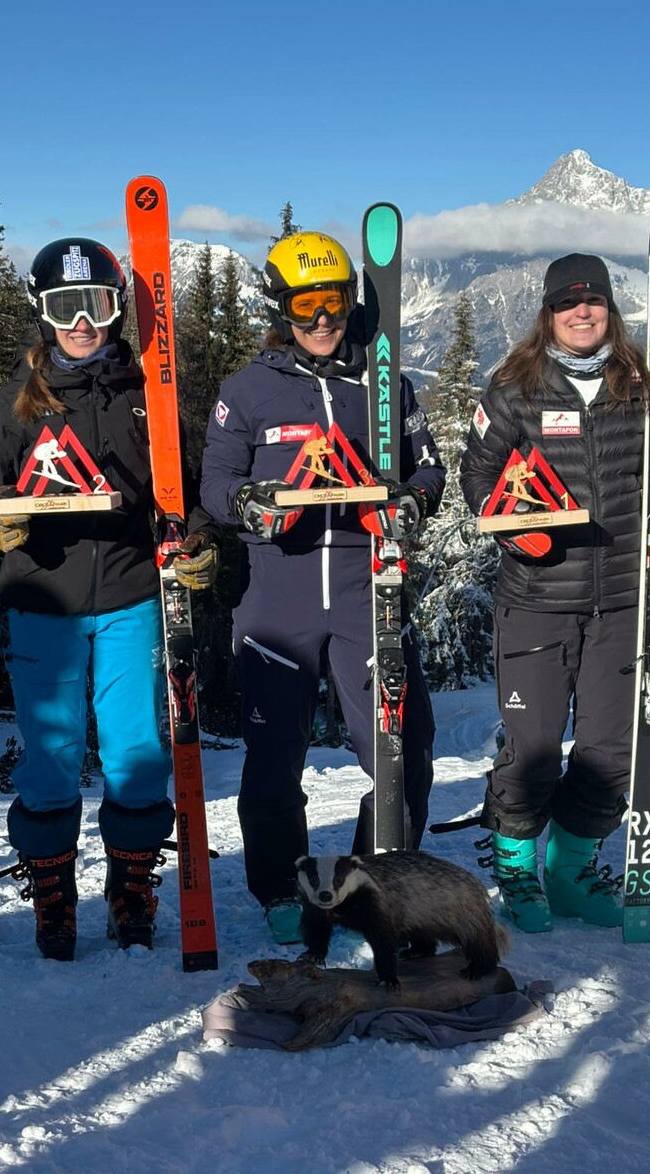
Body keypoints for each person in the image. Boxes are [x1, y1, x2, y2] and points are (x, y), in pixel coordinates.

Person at [0, 237, 219, 961]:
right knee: (51, 756)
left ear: (117, 311)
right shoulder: (11, 406)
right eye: (66, 306)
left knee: (137, 752)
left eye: (98, 305)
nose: (83, 322)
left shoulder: (150, 399)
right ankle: (53, 893)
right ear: (44, 313)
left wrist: (196, 542)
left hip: (131, 597)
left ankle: (131, 888)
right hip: (42, 600)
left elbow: (183, 498)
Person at [200, 230, 445, 943]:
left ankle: (376, 880)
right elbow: (215, 481)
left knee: (405, 747)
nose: (322, 320)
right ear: (281, 307)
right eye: (305, 306)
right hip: (280, 600)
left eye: (332, 301)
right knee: (275, 758)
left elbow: (426, 467)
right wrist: (246, 503)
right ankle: (282, 887)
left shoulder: (384, 380)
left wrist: (412, 500)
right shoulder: (247, 389)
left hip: (368, 591)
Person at [460, 253, 650, 932]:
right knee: (532, 745)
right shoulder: (514, 388)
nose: (581, 313)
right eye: (567, 304)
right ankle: (517, 867)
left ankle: (570, 872)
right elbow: (476, 477)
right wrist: (512, 527)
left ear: (608, 308)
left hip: (624, 601)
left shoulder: (640, 387)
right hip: (537, 598)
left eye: (592, 301)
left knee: (608, 751)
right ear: (548, 313)